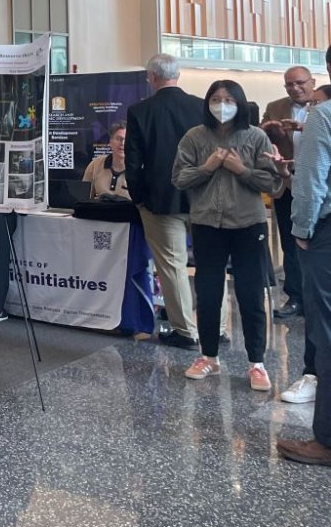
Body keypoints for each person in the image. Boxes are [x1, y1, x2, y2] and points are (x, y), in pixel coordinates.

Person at [173, 80, 281, 391]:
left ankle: (256, 363)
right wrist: (207, 167)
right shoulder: (194, 137)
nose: (222, 104)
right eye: (216, 98)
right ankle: (208, 356)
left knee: (249, 294)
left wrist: (240, 169)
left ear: (240, 102)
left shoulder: (256, 137)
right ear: (207, 102)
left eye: (228, 99)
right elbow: (179, 178)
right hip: (207, 224)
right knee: (207, 293)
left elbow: (272, 184)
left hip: (248, 225)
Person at [124, 53, 205, 349]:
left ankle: (186, 331)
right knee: (211, 264)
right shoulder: (200, 106)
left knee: (172, 266)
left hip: (160, 201)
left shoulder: (140, 111)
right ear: (178, 75)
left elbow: (133, 162)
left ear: (152, 78)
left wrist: (139, 197)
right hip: (203, 198)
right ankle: (216, 328)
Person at [281, 46, 331, 464]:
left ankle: (326, 441)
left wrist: (300, 230)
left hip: (326, 237)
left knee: (327, 334)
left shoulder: (323, 116)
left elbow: (311, 180)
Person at [262, 65, 318, 320]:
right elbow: (260, 138)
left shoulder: (324, 106)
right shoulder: (275, 107)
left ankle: (318, 295)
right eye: (289, 85)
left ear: (312, 81)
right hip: (286, 182)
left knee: (319, 240)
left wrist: (303, 129)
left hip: (318, 184)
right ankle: (295, 296)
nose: (295, 88)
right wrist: (269, 129)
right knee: (290, 240)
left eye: (300, 83)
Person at [82, 122, 131, 200]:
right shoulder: (96, 164)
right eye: (118, 139)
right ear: (110, 142)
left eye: (127, 139)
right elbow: (84, 199)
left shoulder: (140, 169)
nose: (122, 143)